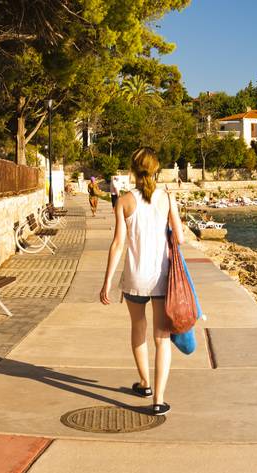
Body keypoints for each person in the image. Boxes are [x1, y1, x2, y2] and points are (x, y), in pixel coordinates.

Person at [99, 148, 184, 416]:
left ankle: (144, 383)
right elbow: (180, 238)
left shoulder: (124, 201)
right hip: (160, 276)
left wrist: (107, 282)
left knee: (138, 327)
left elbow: (117, 244)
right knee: (162, 338)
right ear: (156, 170)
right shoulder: (167, 198)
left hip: (134, 276)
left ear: (133, 171)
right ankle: (158, 400)